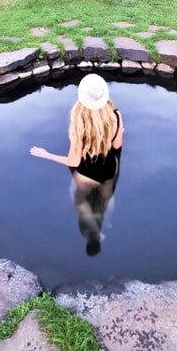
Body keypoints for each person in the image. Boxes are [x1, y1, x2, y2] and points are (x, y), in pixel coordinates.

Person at [30, 74, 124, 255]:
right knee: (106, 200)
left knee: (81, 203)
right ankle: (105, 222)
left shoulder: (79, 123)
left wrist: (46, 154)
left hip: (85, 176)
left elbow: (73, 161)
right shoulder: (116, 116)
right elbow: (117, 145)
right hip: (108, 172)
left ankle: (94, 234)